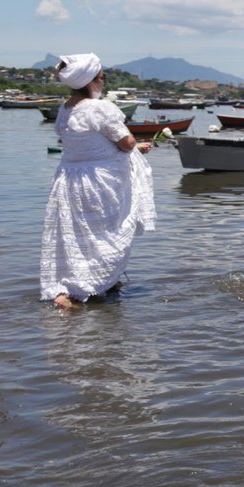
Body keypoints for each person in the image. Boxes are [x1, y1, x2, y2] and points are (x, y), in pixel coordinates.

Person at [39, 53, 156, 307]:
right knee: (105, 235)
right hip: (99, 183)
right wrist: (138, 146)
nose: (104, 81)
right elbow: (127, 143)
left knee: (77, 237)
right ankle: (86, 288)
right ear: (92, 80)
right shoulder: (100, 108)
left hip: (69, 180)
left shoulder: (65, 109)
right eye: (102, 76)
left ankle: (71, 289)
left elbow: (77, 143)